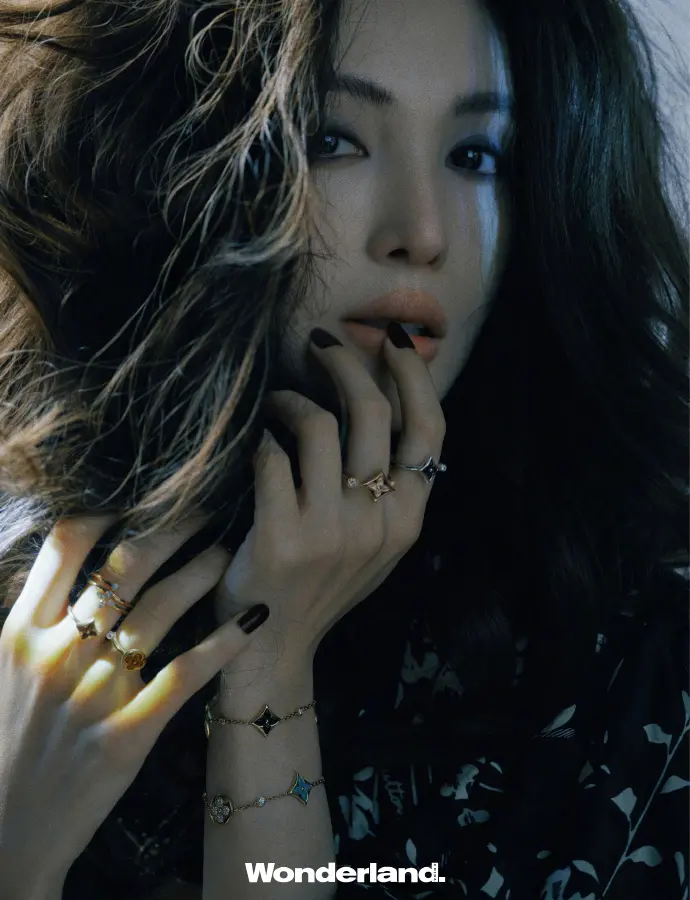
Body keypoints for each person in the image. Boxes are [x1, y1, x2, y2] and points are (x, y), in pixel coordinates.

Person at [0, 0, 687, 897]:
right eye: (333, 141)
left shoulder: (641, 649)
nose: (422, 233)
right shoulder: (33, 608)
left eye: (476, 156)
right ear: (172, 166)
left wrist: (270, 663)